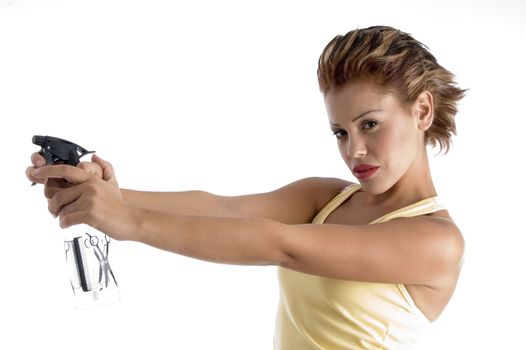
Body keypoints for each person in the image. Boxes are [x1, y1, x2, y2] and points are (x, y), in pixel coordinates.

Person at [26, 25, 466, 349]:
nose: (355, 150)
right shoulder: (327, 198)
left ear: (422, 110)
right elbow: (225, 209)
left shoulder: (435, 242)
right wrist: (105, 193)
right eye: (340, 133)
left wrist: (129, 220)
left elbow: (281, 245)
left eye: (370, 124)